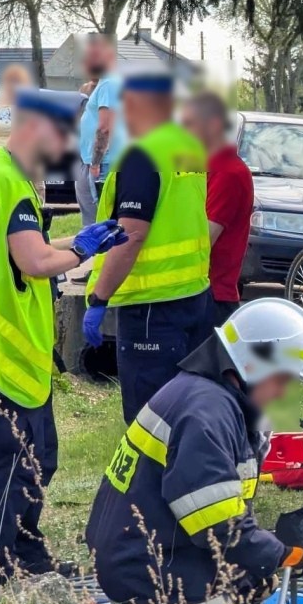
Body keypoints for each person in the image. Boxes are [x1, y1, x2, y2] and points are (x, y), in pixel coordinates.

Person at [83, 298, 303, 604]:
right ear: (253, 365)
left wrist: (252, 565)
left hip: (144, 555)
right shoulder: (206, 413)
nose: (282, 392)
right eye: (282, 378)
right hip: (150, 575)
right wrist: (276, 555)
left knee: (249, 588)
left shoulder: (208, 398)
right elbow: (216, 522)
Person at [0, 88, 127, 583]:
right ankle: (1, 564)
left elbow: (26, 246)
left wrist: (77, 238)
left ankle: (24, 551)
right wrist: (82, 252)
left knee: (38, 460)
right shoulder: (6, 180)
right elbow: (33, 261)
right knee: (12, 467)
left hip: (23, 356)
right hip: (5, 356)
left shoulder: (14, 179)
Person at [84, 66, 214, 424]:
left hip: (150, 308)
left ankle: (152, 480)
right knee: (184, 412)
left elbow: (132, 234)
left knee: (150, 421)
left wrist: (99, 297)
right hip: (191, 295)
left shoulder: (142, 157)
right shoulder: (188, 150)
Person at [181, 91, 253, 324]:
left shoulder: (229, 173)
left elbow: (205, 238)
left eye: (189, 124)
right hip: (199, 292)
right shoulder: (206, 167)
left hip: (212, 297)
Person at [76, 34, 126, 227]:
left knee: (99, 224)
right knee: (96, 221)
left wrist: (95, 164)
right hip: (97, 163)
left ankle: (100, 257)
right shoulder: (104, 84)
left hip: (102, 165)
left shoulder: (108, 83)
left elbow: (105, 128)